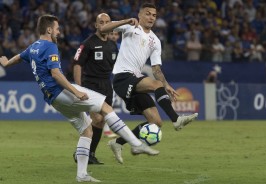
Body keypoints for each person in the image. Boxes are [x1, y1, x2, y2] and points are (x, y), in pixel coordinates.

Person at [0, 14, 159, 183]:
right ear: (48, 30)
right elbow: (55, 74)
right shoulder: (50, 46)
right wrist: (75, 92)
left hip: (53, 99)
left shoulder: (33, 47)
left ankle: (81, 174)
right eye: (56, 28)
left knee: (87, 130)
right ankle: (135, 144)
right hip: (61, 91)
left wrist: (6, 62)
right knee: (106, 109)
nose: (59, 32)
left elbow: (20, 57)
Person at [100, 3, 198, 164]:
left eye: (154, 15)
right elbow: (104, 29)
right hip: (122, 77)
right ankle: (176, 119)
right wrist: (125, 21)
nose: (151, 17)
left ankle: (117, 143)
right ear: (140, 15)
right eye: (148, 13)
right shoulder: (130, 28)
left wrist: (165, 85)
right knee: (155, 85)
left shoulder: (155, 41)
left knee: (156, 122)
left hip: (136, 79)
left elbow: (156, 69)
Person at [72, 13, 118, 165]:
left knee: (101, 121)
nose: (104, 25)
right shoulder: (88, 43)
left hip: (107, 85)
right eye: (101, 22)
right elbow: (78, 64)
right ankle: (81, 152)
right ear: (96, 25)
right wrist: (78, 89)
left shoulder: (112, 46)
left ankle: (89, 154)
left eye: (107, 22)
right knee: (96, 118)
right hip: (91, 85)